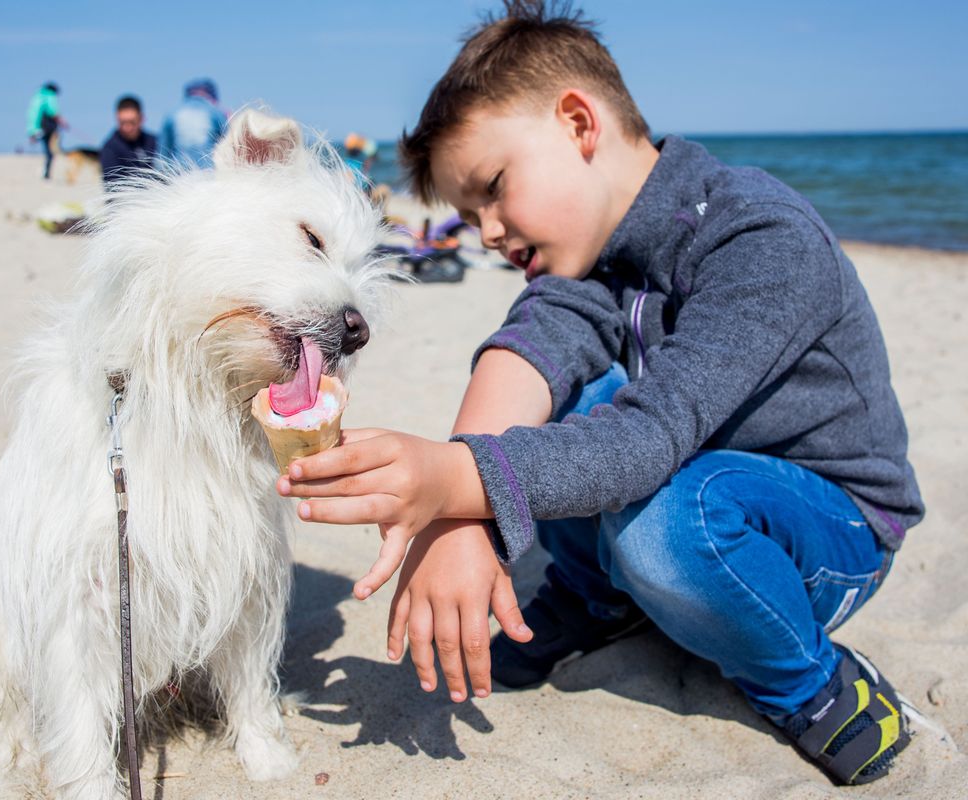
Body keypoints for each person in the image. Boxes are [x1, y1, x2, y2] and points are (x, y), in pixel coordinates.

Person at [274, 1, 925, 787]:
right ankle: (597, 597)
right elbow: (527, 355)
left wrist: (455, 481)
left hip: (827, 530)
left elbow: (652, 435)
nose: (484, 231)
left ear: (580, 124)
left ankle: (809, 683)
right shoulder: (591, 263)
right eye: (468, 213)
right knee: (575, 401)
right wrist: (458, 510)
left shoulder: (760, 236)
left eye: (492, 188)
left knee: (665, 513)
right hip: (695, 479)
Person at [159, 78, 227, 168]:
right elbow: (228, 146)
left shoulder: (171, 114)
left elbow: (162, 155)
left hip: (179, 174)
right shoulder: (216, 112)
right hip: (209, 173)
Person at [100, 95, 158, 188]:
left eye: (132, 122)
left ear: (141, 119)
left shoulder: (155, 142)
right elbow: (112, 187)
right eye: (122, 123)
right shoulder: (110, 148)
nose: (127, 128)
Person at [27, 82, 68, 180]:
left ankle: (45, 171)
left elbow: (32, 116)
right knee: (53, 151)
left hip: (39, 128)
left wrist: (31, 133)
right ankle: (47, 173)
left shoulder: (37, 97)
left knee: (47, 151)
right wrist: (63, 122)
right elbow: (53, 111)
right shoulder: (50, 96)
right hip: (49, 127)